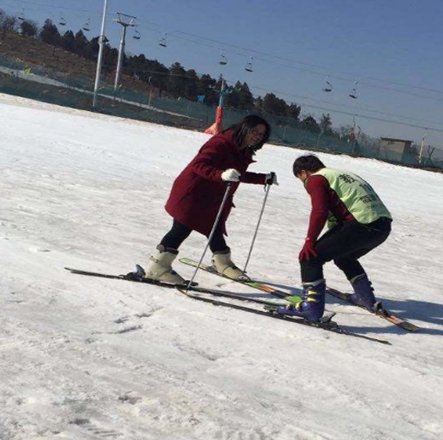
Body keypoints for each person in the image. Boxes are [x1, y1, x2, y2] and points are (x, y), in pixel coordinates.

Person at [145, 115, 277, 284]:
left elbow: (237, 174)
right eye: (254, 131)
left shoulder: (243, 148)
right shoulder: (221, 143)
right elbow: (199, 165)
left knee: (213, 227)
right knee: (182, 228)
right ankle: (158, 268)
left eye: (261, 134)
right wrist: (221, 174)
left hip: (212, 197)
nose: (257, 136)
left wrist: (262, 178)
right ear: (244, 127)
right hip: (192, 193)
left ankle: (222, 263)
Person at [278, 154, 392, 322]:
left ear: (303, 172)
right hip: (382, 226)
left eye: (300, 179)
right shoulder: (342, 175)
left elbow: (320, 211)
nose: (304, 184)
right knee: (344, 256)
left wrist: (310, 241)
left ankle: (311, 309)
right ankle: (365, 298)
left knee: (310, 257)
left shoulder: (316, 178)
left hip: (361, 224)